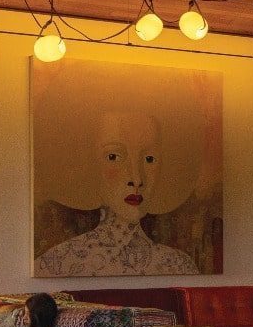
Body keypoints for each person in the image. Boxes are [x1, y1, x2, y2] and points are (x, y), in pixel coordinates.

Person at [36, 110, 198, 277]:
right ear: (89, 162)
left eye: (149, 159)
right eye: (113, 156)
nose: (136, 178)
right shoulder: (55, 263)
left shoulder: (179, 266)